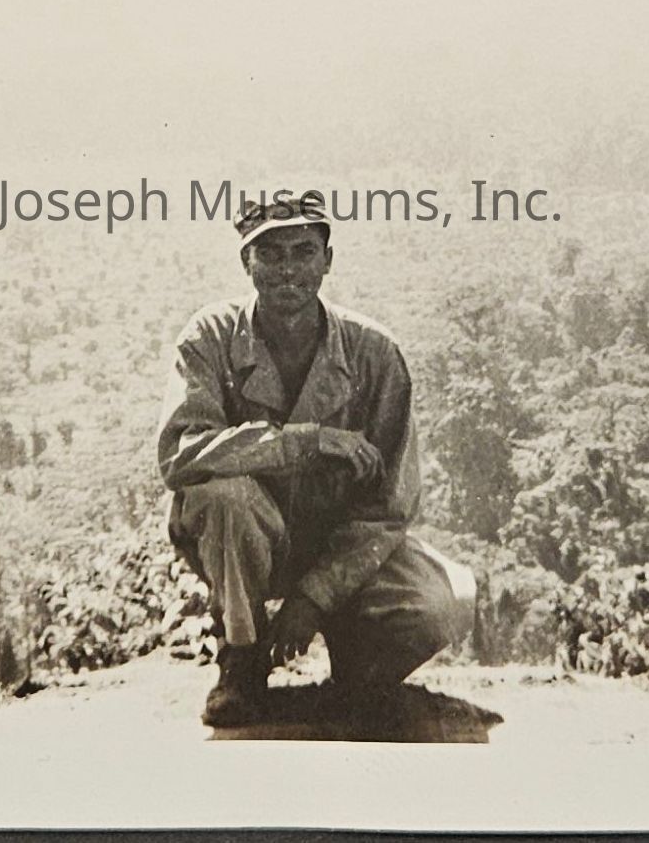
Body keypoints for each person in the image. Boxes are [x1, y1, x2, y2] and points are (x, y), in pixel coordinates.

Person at [155, 190, 476, 727]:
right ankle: (241, 662)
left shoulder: (375, 354)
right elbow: (180, 455)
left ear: (327, 260)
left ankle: (354, 665)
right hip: (248, 545)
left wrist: (315, 597)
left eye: (303, 252)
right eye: (270, 254)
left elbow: (389, 508)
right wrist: (305, 441)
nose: (288, 270)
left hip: (342, 546)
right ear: (247, 262)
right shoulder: (210, 338)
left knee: (441, 604)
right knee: (225, 496)